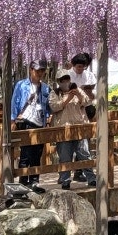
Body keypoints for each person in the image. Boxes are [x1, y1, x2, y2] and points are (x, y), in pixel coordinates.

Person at [49, 70, 95, 189]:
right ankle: (65, 180)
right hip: (63, 129)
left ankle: (91, 178)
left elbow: (87, 102)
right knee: (65, 156)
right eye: (62, 80)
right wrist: (68, 97)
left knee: (84, 153)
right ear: (59, 82)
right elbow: (54, 107)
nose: (65, 82)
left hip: (79, 127)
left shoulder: (78, 90)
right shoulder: (54, 93)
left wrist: (78, 95)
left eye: (67, 79)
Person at [11, 60, 50, 191]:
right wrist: (13, 120)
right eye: (37, 70)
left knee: (37, 154)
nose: (40, 73)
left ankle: (34, 181)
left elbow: (47, 106)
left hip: (40, 123)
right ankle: (23, 181)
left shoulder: (45, 87)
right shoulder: (21, 85)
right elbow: (14, 103)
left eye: (42, 71)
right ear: (31, 70)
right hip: (25, 121)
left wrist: (49, 119)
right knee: (25, 154)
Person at [67, 52, 96, 183]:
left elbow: (94, 96)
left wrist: (89, 92)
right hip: (72, 110)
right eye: (78, 67)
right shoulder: (67, 75)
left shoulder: (89, 75)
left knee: (84, 141)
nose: (80, 69)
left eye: (83, 67)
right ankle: (65, 174)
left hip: (87, 109)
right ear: (73, 65)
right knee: (71, 141)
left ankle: (80, 171)